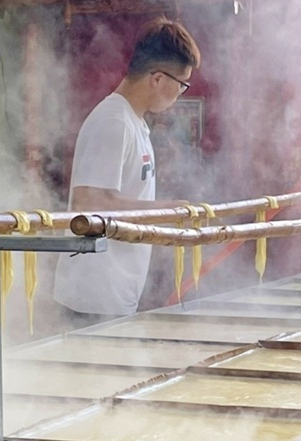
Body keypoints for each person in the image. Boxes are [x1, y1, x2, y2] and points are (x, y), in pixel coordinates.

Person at [53, 17, 201, 327]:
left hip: (114, 293)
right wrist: (167, 211)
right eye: (182, 84)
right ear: (158, 79)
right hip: (92, 298)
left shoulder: (134, 122)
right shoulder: (113, 122)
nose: (181, 94)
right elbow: (88, 204)